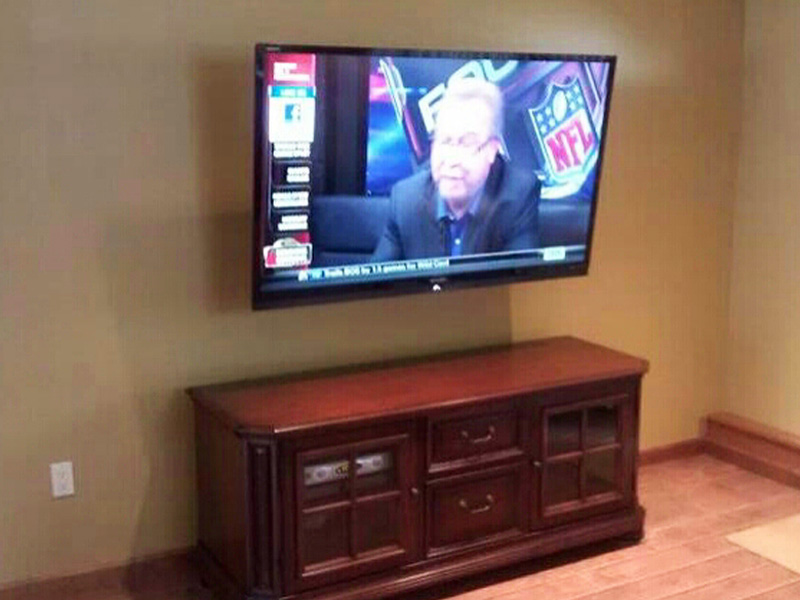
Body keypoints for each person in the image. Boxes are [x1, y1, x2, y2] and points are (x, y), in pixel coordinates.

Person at [371, 77, 541, 262]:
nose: (451, 159)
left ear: (492, 150)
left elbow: (518, 276)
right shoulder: (405, 200)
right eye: (445, 141)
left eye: (467, 143)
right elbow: (377, 277)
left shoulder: (518, 195)